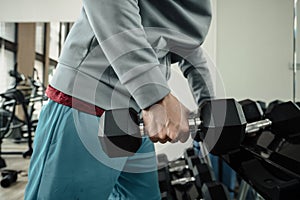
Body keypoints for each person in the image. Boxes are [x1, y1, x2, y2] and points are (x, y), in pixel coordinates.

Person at [25, 0, 215, 199]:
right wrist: (157, 97)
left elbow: (188, 45)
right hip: (87, 104)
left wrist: (209, 104)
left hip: (137, 117)